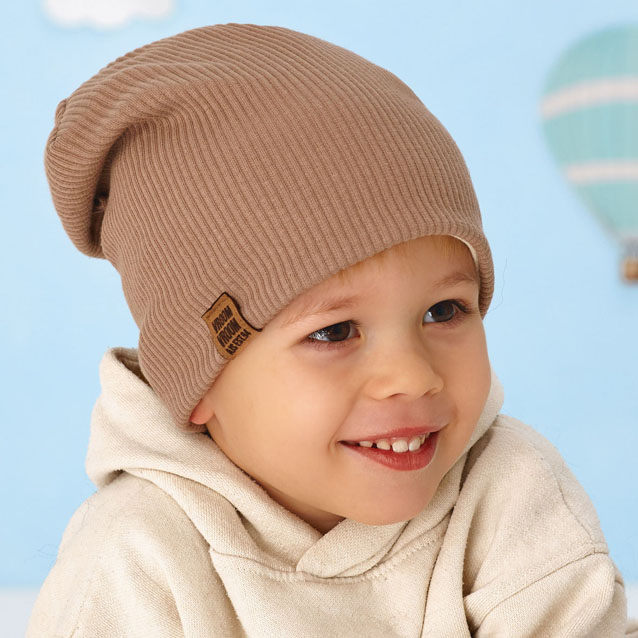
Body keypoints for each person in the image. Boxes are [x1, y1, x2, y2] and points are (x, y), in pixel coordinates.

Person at [27, 23, 637, 637]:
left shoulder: (510, 491)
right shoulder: (135, 557)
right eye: (335, 331)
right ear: (200, 381)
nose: (412, 376)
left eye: (444, 311)